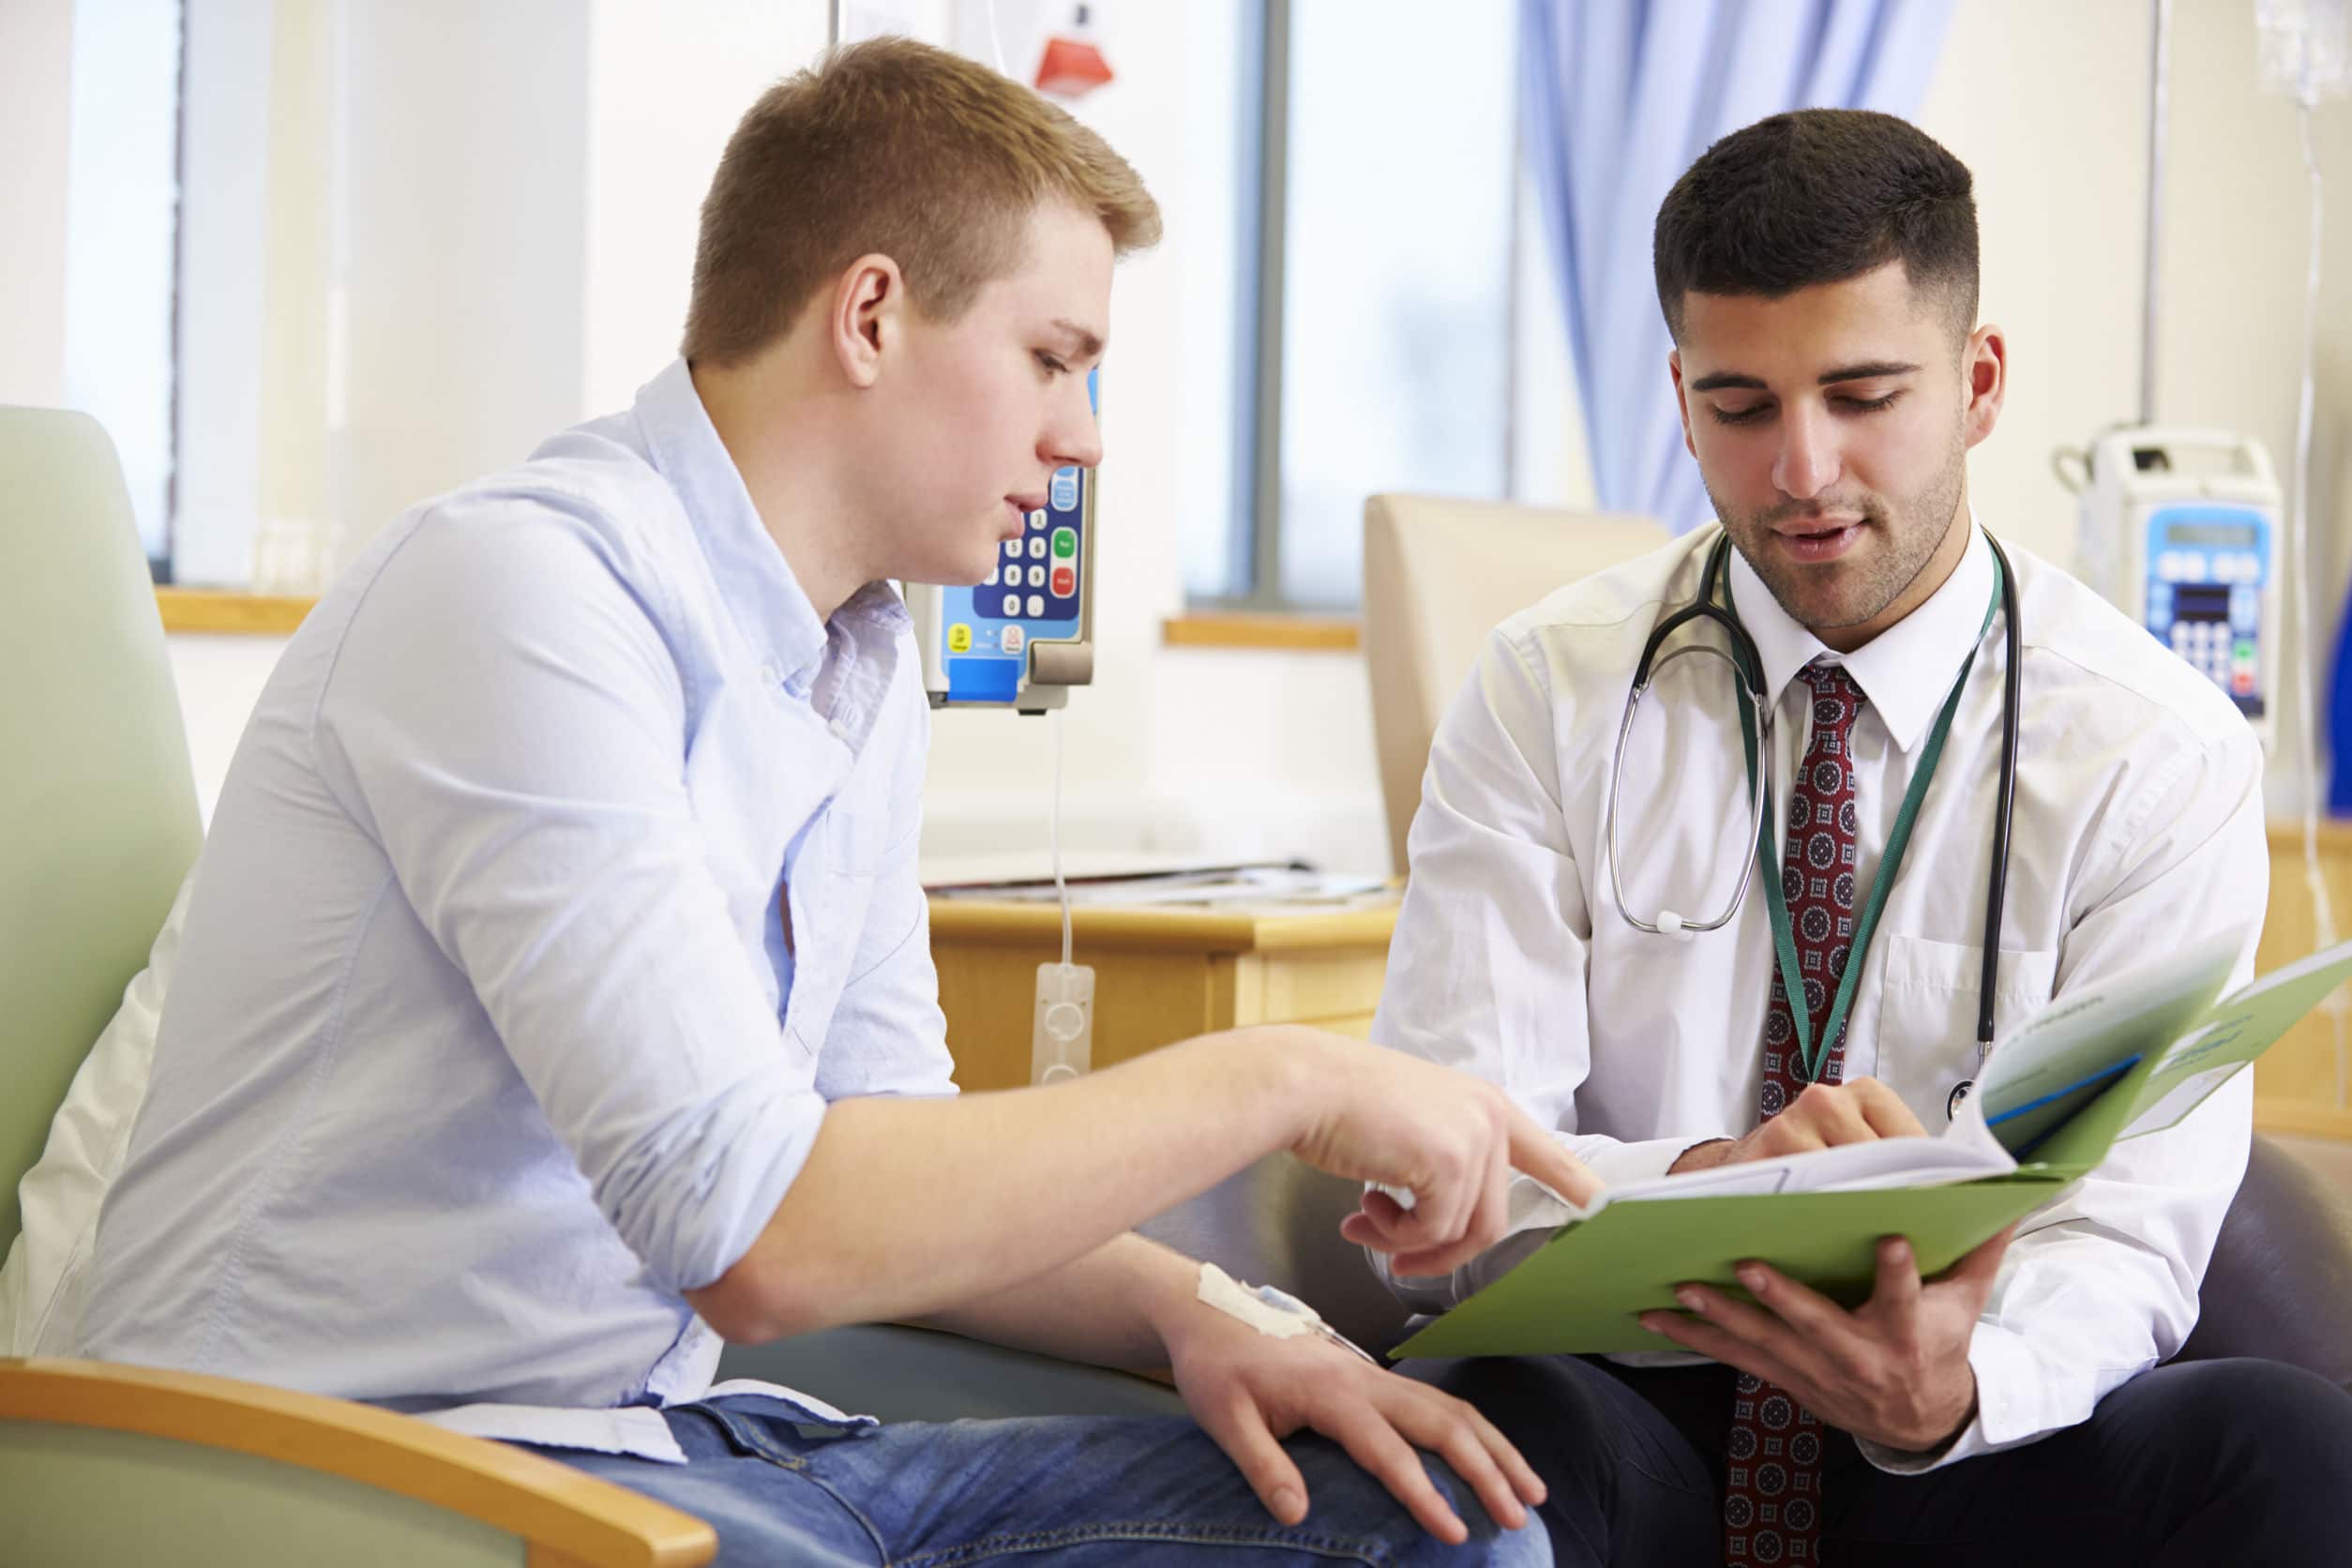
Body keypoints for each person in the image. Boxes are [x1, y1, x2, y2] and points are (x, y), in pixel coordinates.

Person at [70, 38, 1587, 1567]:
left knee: (1429, 1528)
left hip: (670, 1445)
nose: (1086, 435)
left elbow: (886, 1158)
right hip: (347, 1463)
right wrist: (1281, 1079)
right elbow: (760, 1237)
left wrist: (1198, 1312)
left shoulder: (853, 663)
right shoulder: (519, 593)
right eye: (1054, 358)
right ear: (870, 315)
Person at [1355, 109, 2352, 1567]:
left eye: (1865, 393)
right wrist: (1709, 1188)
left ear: (1979, 382)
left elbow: (2127, 1232)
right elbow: (1452, 1158)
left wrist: (1948, 1391)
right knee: (1449, 1431)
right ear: (1682, 397)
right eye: (1741, 407)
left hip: (1979, 1432)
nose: (1803, 471)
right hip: (1638, 1405)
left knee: (2288, 1449)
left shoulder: (2157, 747)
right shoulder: (1544, 688)